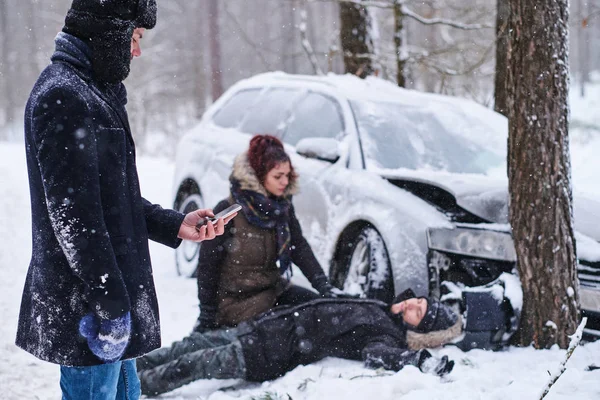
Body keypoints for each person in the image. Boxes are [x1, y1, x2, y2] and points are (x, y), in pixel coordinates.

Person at [16, 1, 233, 398]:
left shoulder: (93, 92)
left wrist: (174, 224)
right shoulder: (63, 96)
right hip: (92, 311)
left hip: (111, 306)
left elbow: (112, 199)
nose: (137, 51)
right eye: (135, 38)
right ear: (109, 32)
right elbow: (74, 220)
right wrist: (110, 307)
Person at [137, 293, 461, 396]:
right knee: (190, 345)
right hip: (265, 328)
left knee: (196, 363)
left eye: (418, 312)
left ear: (420, 332)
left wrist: (417, 360)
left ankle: (135, 388)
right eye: (418, 300)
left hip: (269, 352)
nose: (411, 305)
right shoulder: (380, 306)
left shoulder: (386, 336)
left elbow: (378, 354)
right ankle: (130, 369)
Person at [195, 134, 351, 332]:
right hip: (236, 303)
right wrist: (207, 314)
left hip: (273, 291)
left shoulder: (281, 208)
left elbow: (298, 247)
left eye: (287, 175)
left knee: (322, 311)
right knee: (294, 330)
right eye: (278, 176)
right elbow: (207, 266)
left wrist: (323, 286)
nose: (284, 182)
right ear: (260, 175)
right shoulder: (228, 210)